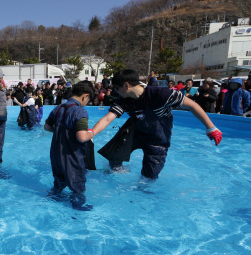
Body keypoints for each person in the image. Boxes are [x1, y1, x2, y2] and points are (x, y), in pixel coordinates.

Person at [92, 69, 222, 180]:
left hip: (158, 135)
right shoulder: (124, 100)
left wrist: (211, 127)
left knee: (149, 176)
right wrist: (91, 132)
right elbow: (108, 119)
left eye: (117, 88)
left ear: (126, 85)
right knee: (114, 156)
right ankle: (119, 173)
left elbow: (192, 105)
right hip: (135, 131)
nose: (116, 91)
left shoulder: (161, 94)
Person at [44, 81, 95, 211]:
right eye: (87, 100)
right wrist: (92, 133)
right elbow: (82, 137)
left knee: (58, 184)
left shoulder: (58, 108)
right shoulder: (80, 112)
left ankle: (51, 204)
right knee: (77, 188)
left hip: (56, 154)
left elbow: (47, 127)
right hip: (72, 157)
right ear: (85, 96)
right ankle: (77, 210)